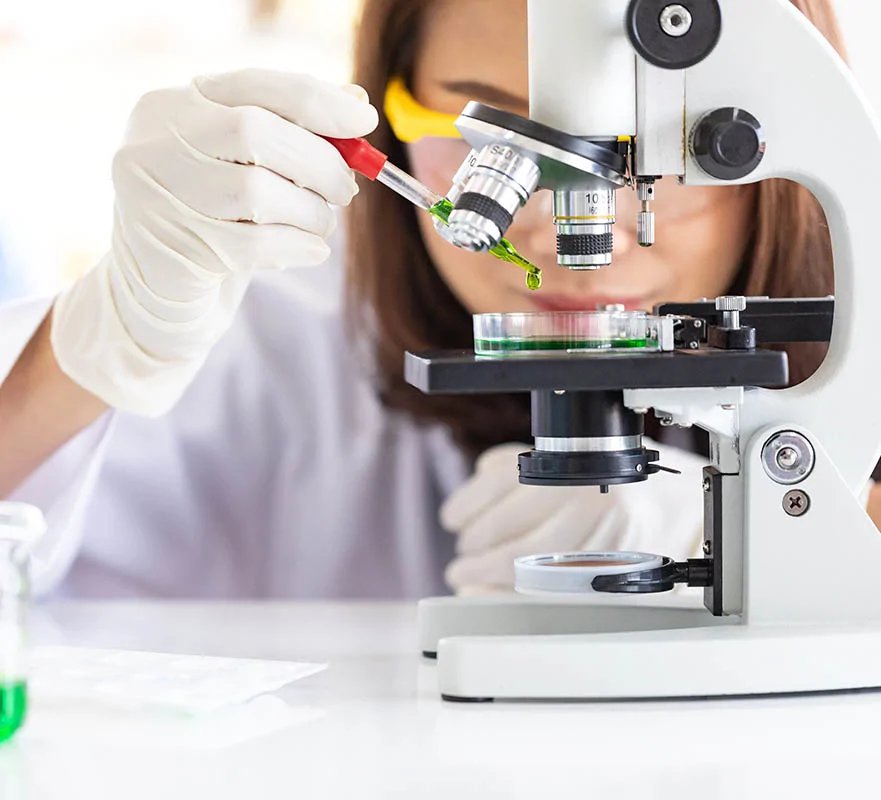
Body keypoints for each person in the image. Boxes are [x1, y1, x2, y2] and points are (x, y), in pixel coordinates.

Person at [0, 0, 874, 598]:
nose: (564, 230)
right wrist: (95, 351)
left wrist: (759, 550)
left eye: (659, 155)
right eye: (490, 141)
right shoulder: (278, 326)